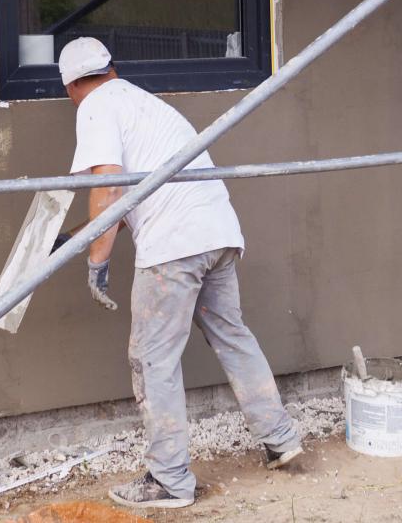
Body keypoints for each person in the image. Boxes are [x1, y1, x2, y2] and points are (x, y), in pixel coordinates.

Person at [58, 36, 303, 511]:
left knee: (152, 359)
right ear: (111, 67)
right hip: (217, 233)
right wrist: (76, 238)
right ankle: (280, 437)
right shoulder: (146, 105)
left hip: (173, 250)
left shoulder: (94, 108)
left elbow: (107, 187)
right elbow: (132, 198)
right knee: (232, 336)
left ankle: (169, 479)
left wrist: (97, 262)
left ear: (70, 85)